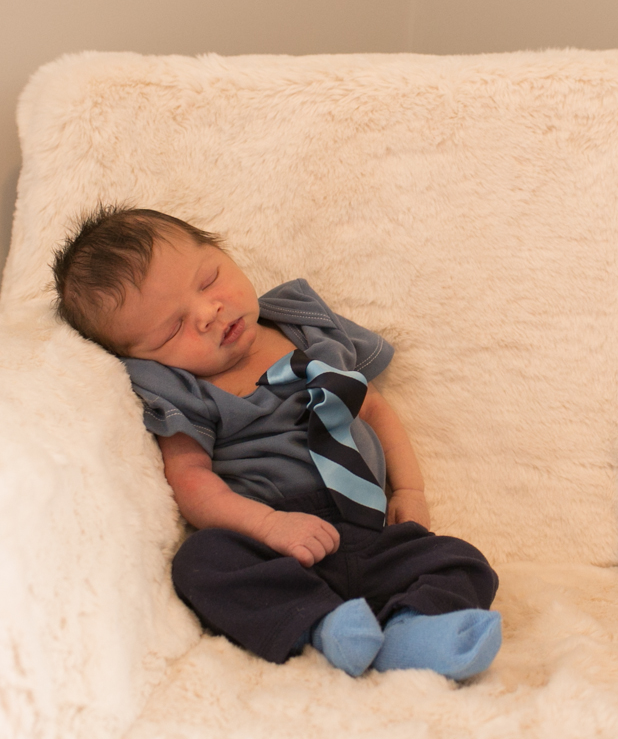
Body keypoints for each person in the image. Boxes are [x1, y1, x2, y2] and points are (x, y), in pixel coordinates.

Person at [52, 205, 502, 679]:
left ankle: (409, 633)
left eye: (208, 280)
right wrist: (268, 526)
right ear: (142, 359)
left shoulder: (304, 325)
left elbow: (372, 407)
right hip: (275, 549)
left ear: (222, 251)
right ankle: (325, 627)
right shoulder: (182, 389)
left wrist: (410, 490)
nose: (207, 313)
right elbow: (189, 480)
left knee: (461, 561)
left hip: (373, 534)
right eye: (173, 328)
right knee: (200, 564)